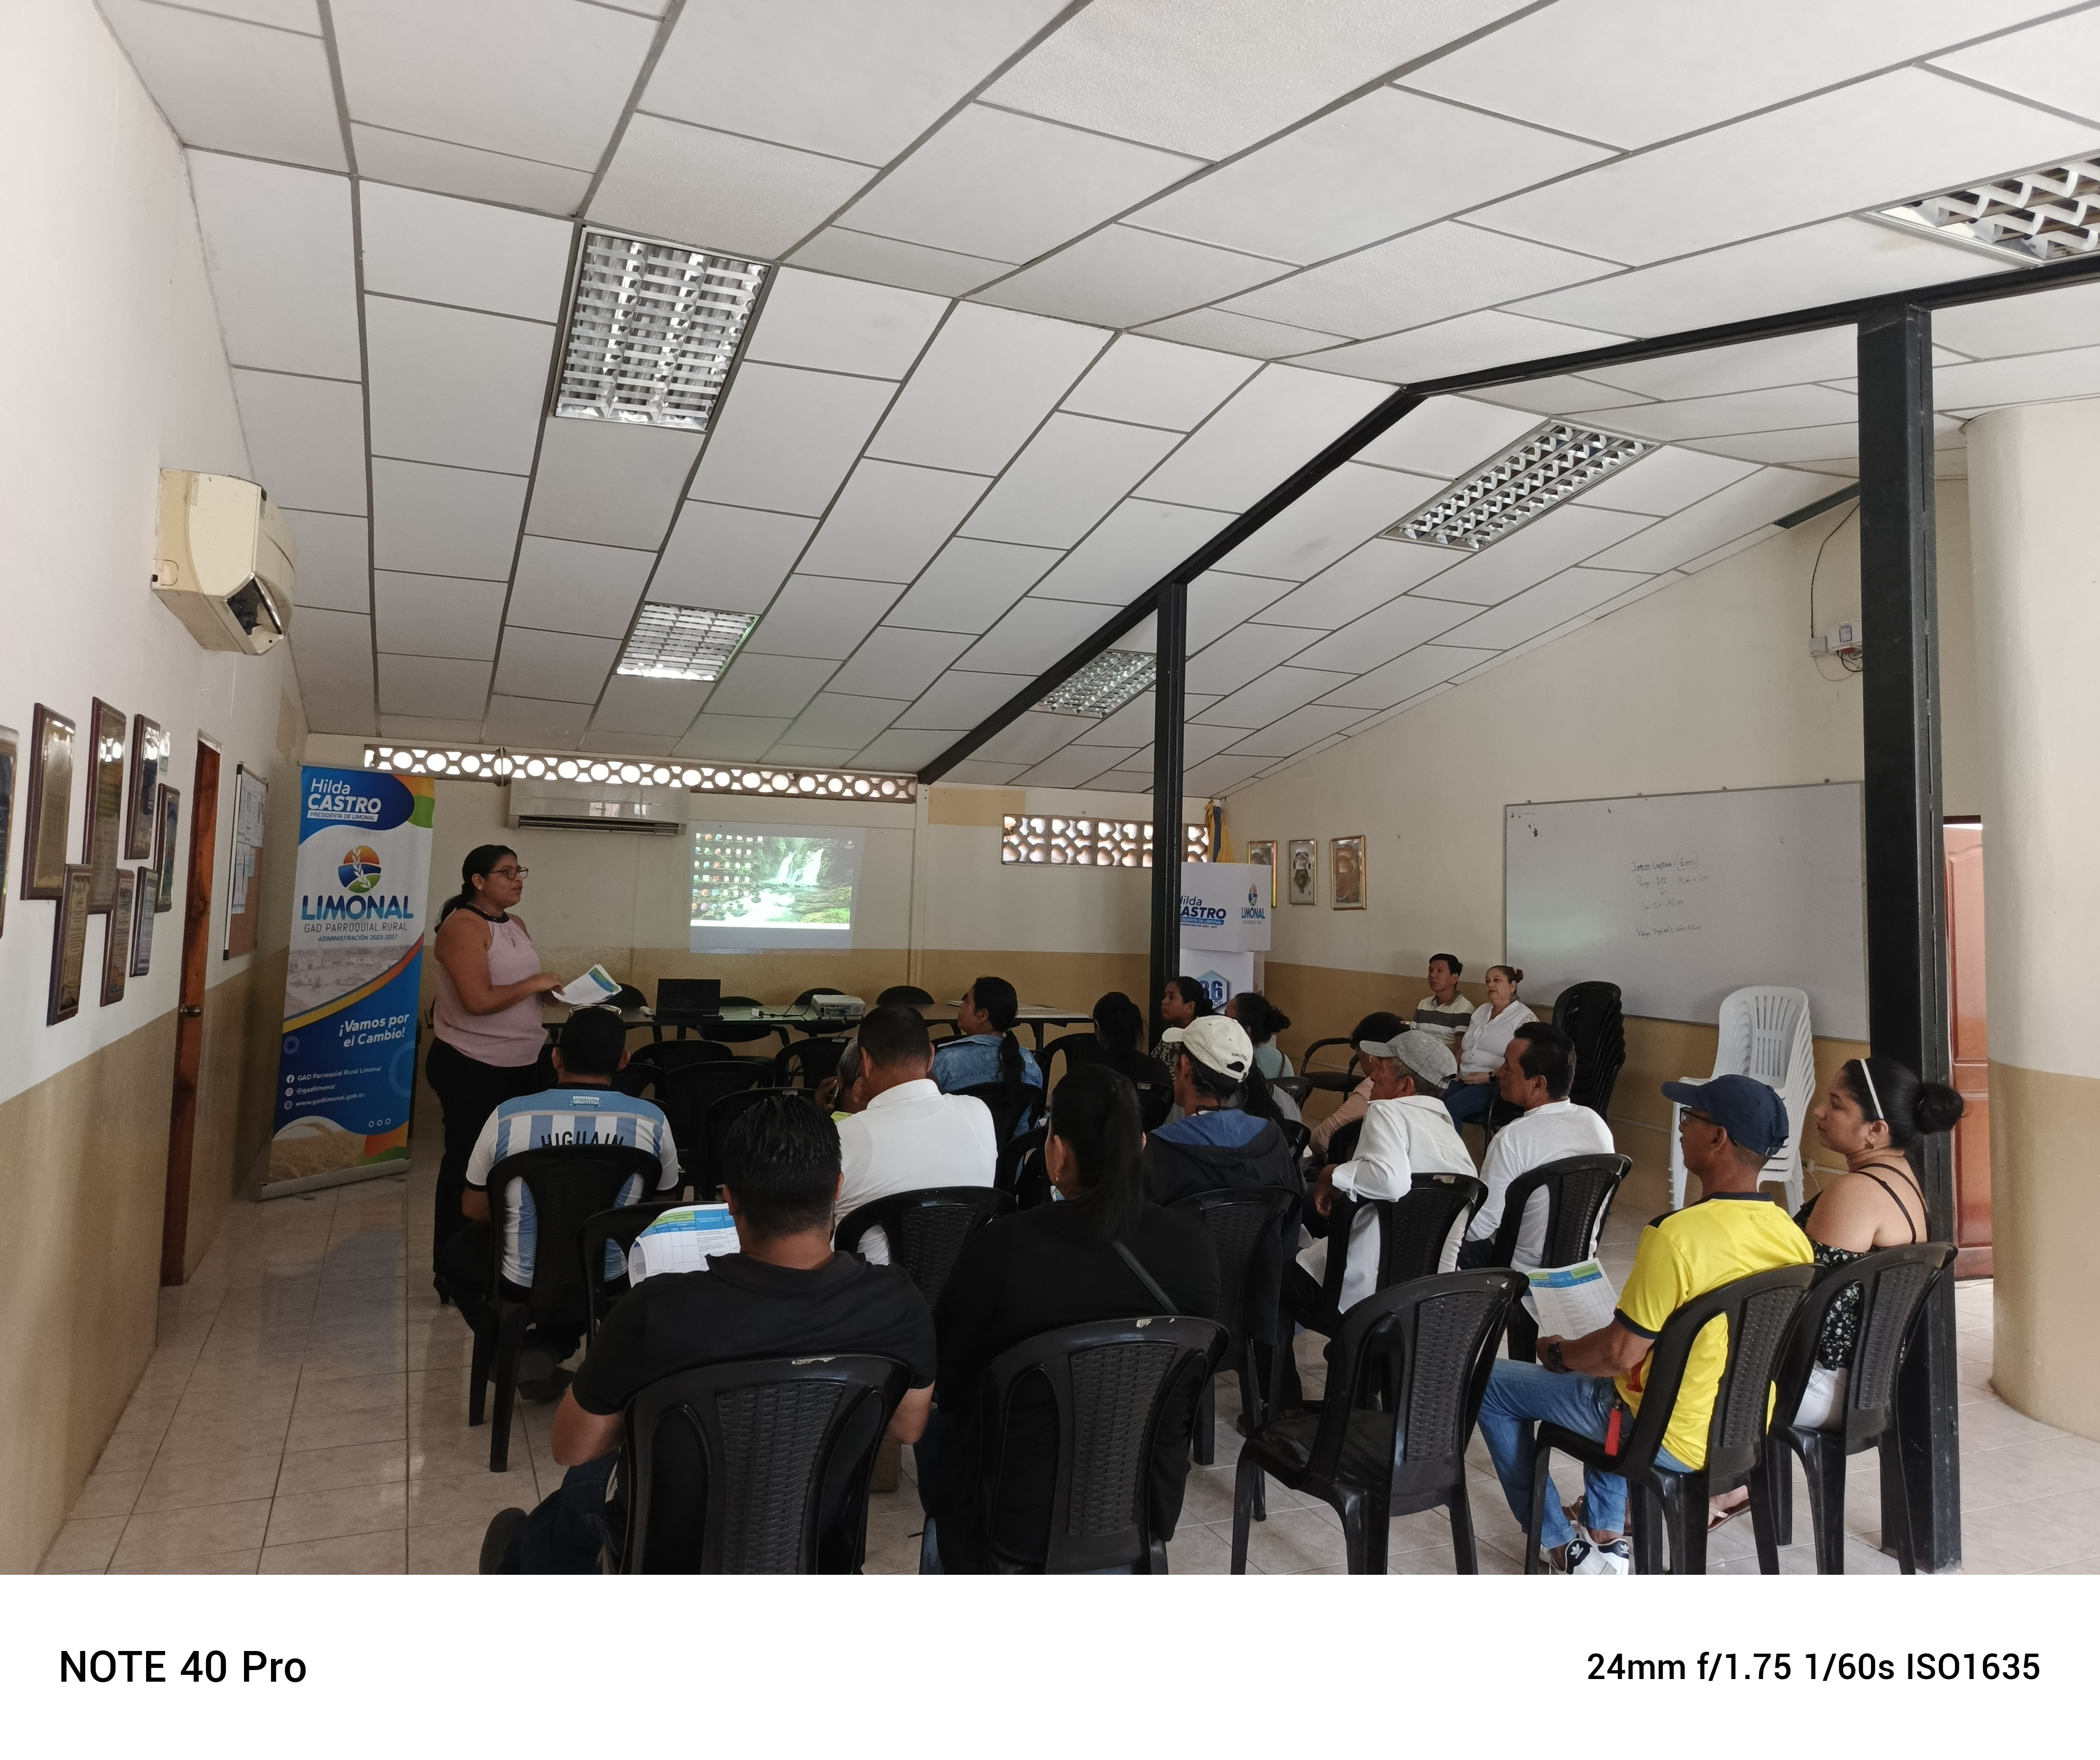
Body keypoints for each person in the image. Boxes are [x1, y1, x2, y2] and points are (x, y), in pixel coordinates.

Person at [481, 1093, 937, 1574]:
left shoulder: (654, 1312)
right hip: (813, 1548)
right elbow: (907, 1427)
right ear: (838, 1187)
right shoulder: (898, 1304)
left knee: (567, 1502)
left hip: (673, 1561)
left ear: (730, 1199)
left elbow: (571, 1447)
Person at [1472, 1074, 1813, 1574]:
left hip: (1662, 1432)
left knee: (1489, 1382)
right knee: (1619, 1383)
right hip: (1737, 1432)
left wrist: (1558, 1353)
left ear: (1718, 1138)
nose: (1681, 1128)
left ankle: (1561, 1545)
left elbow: (1619, 1355)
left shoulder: (1677, 1235)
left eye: (1690, 1118)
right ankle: (1606, 1539)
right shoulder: (1792, 1238)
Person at [918, 1066, 1221, 1572]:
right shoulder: (1195, 1246)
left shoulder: (1005, 1247)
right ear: (1141, 1145)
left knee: (936, 1426)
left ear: (1056, 1153)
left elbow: (946, 1375)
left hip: (1014, 1511)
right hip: (1142, 1503)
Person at [439, 1006, 679, 1400]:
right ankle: (548, 1345)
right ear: (623, 1060)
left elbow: (473, 1209)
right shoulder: (652, 1121)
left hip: (521, 1278)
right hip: (608, 1276)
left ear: (555, 1057)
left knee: (456, 1256)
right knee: (591, 1253)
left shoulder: (507, 1118)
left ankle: (508, 1352)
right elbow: (660, 1208)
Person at [1794, 1057, 1961, 1426]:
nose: (1819, 1111)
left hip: (1816, 1385)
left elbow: (1800, 1304)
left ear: (1876, 1130)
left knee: (1679, 1381)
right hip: (1867, 1387)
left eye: (1836, 1104)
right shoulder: (1905, 1179)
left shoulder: (1855, 1191)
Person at [426, 845, 564, 1284]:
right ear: (478, 881)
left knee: (518, 1165)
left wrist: (549, 993)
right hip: (472, 1064)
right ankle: (454, 1270)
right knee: (469, 1166)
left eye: (519, 870)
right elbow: (478, 1000)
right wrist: (534, 983)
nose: (517, 879)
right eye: (506, 872)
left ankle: (509, 1259)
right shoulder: (462, 926)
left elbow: (517, 988)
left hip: (523, 1059)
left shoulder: (515, 924)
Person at [1287, 1030, 1472, 1316]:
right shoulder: (1452, 1139)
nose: (1372, 1076)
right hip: (1424, 1297)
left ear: (1405, 1086)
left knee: (1270, 1276)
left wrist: (1332, 1174)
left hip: (1357, 1289)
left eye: (1382, 1069)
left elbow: (1390, 1180)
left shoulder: (1387, 1111)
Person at [835, 1005, 997, 1264]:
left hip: (870, 1288)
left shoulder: (843, 1137)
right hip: (963, 1284)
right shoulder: (979, 1113)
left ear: (865, 1061)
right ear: (931, 1056)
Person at [1457, 1022, 1616, 1271]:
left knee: (1440, 1237)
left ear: (1538, 1084)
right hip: (1578, 1263)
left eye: (1508, 1067)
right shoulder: (1596, 1123)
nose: (1498, 1072)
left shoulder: (1513, 1138)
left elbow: (1480, 1227)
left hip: (1518, 1271)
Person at [931, 975, 1043, 1132]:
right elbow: (1029, 1125)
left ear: (982, 1015)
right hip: (1010, 1149)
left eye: (967, 1001)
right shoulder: (1030, 1063)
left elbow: (927, 1112)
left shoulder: (946, 1061)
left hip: (960, 1147)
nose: (961, 1006)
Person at [1445, 964, 1537, 1131]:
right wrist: (1454, 1070)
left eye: (1497, 980)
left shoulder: (1524, 1018)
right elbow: (1465, 1047)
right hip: (1465, 1078)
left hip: (1496, 1085)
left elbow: (1526, 1062)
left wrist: (1490, 1077)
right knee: (1431, 1100)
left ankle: (1449, 1149)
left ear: (1512, 986)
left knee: (1452, 1107)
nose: (1491, 985)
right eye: (1488, 981)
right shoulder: (1482, 1010)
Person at [1307, 1010, 1409, 1157]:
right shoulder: (1422, 1084)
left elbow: (1321, 1139)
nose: (1374, 1077)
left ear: (1369, 1053)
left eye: (1357, 1052)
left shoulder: (1374, 1085)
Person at [1226, 992, 1295, 1079]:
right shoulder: (1283, 1060)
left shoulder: (1230, 1059)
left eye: (1226, 1017)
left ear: (1246, 1030)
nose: (1221, 1021)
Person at [1413, 954, 1472, 1049]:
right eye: (1431, 971)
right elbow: (1412, 1038)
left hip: (1444, 1057)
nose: (1433, 975)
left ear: (1454, 978)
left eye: (1440, 971)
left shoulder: (1464, 1008)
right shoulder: (1423, 1004)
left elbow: (1460, 1049)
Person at [1152, 974, 1212, 1057]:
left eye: (1171, 997)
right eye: (1165, 996)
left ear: (1189, 1007)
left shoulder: (1200, 1039)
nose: (1164, 1002)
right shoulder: (1171, 1030)